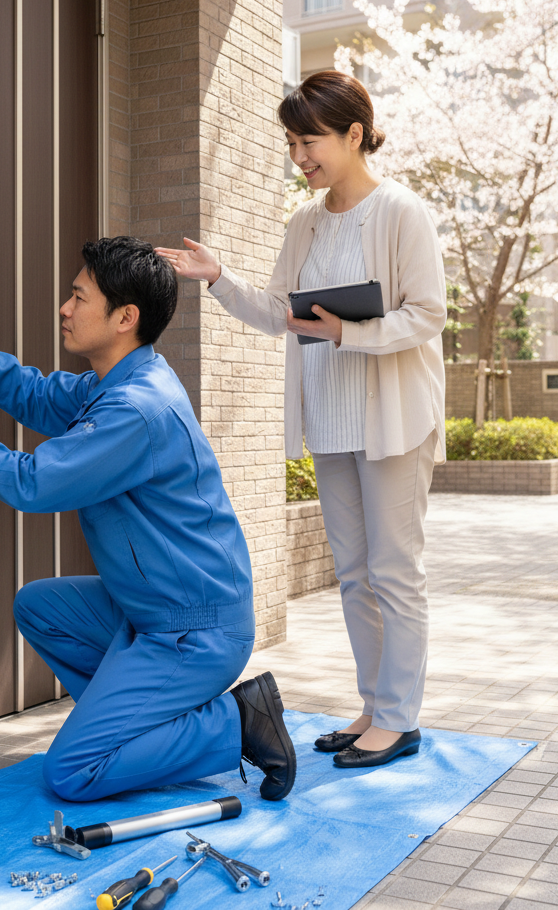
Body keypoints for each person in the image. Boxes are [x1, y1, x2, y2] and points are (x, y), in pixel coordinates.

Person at [0, 236, 296, 802]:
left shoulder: (135, 408)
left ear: (125, 317)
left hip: (193, 629)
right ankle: (137, 725)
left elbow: (35, 482)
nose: (64, 308)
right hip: (150, 609)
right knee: (40, 607)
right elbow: (34, 393)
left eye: (79, 297)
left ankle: (236, 723)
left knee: (73, 773)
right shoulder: (118, 382)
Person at [157, 71, 446, 770]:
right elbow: (279, 313)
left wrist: (350, 335)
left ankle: (401, 718)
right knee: (353, 572)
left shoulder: (404, 213)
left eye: (309, 139)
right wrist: (219, 277)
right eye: (291, 142)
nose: (300, 156)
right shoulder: (305, 222)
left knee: (394, 571)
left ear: (353, 134)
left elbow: (428, 315)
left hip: (393, 419)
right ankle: (376, 706)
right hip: (333, 416)